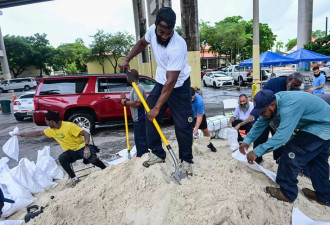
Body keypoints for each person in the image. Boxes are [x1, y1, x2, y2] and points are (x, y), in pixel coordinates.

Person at [120, 7, 194, 176]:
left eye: (169, 33)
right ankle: (158, 153)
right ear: (156, 25)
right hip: (162, 80)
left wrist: (158, 107)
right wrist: (127, 59)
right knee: (149, 115)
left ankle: (186, 161)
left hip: (179, 85)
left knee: (183, 123)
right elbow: (140, 44)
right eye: (162, 32)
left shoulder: (178, 47)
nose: (165, 36)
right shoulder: (152, 31)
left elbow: (171, 82)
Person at [239, 89, 330, 206]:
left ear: (272, 105)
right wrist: (246, 141)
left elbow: (282, 137)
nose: (261, 115)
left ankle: (287, 193)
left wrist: (257, 152)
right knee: (317, 160)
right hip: (322, 123)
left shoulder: (289, 106)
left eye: (262, 112)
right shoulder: (272, 103)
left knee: (292, 152)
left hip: (322, 126)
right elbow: (259, 125)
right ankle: (325, 196)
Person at [18, 110, 106, 185]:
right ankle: (75, 179)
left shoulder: (69, 126)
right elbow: (39, 133)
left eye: (47, 121)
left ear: (52, 121)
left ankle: (106, 170)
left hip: (82, 147)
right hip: (71, 152)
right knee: (62, 158)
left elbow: (86, 133)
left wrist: (87, 147)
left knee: (92, 159)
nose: (46, 123)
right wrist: (22, 135)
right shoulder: (51, 130)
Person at [253, 72, 304, 163]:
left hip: (280, 116)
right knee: (261, 136)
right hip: (267, 113)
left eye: (298, 86)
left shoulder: (296, 89)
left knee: (279, 137)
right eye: (295, 85)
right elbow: (264, 100)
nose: (296, 88)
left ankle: (279, 157)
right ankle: (257, 158)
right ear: (289, 79)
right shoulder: (273, 83)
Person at [120, 69, 148, 157]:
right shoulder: (135, 86)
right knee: (139, 138)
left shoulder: (138, 87)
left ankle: (142, 156)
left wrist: (125, 102)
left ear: (131, 77)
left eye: (127, 76)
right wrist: (126, 100)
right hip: (137, 117)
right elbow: (135, 101)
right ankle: (141, 155)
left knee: (141, 138)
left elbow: (137, 103)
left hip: (140, 116)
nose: (126, 78)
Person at [191, 88, 217, 152]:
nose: (191, 99)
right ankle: (190, 147)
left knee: (205, 130)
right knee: (189, 132)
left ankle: (208, 143)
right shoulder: (183, 98)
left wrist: (196, 128)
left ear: (194, 94)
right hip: (189, 115)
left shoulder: (199, 101)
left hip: (198, 115)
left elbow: (199, 116)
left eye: (192, 98)